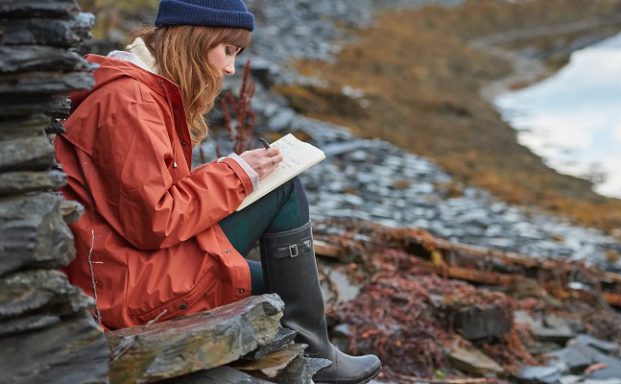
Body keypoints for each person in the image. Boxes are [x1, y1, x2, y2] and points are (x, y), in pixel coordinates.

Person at [54, 0, 381, 383]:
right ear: (195, 41)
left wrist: (236, 171)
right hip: (122, 288)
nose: (229, 68)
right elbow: (155, 220)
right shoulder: (129, 101)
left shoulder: (141, 90)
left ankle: (306, 355)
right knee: (283, 191)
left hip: (127, 267)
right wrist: (237, 173)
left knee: (266, 280)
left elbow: (145, 197)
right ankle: (319, 357)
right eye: (227, 50)